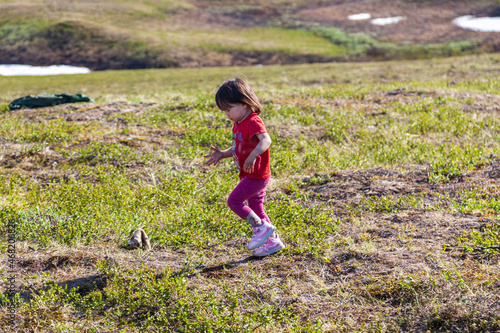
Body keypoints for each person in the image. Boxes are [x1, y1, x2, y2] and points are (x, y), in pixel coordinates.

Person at [205, 77, 284, 257]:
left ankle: (261, 228)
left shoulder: (253, 121)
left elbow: (266, 140)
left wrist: (254, 155)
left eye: (229, 109)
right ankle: (273, 242)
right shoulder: (239, 123)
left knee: (234, 201)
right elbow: (239, 146)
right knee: (256, 208)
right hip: (250, 174)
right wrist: (222, 154)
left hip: (257, 175)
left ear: (245, 104)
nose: (227, 114)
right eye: (224, 110)